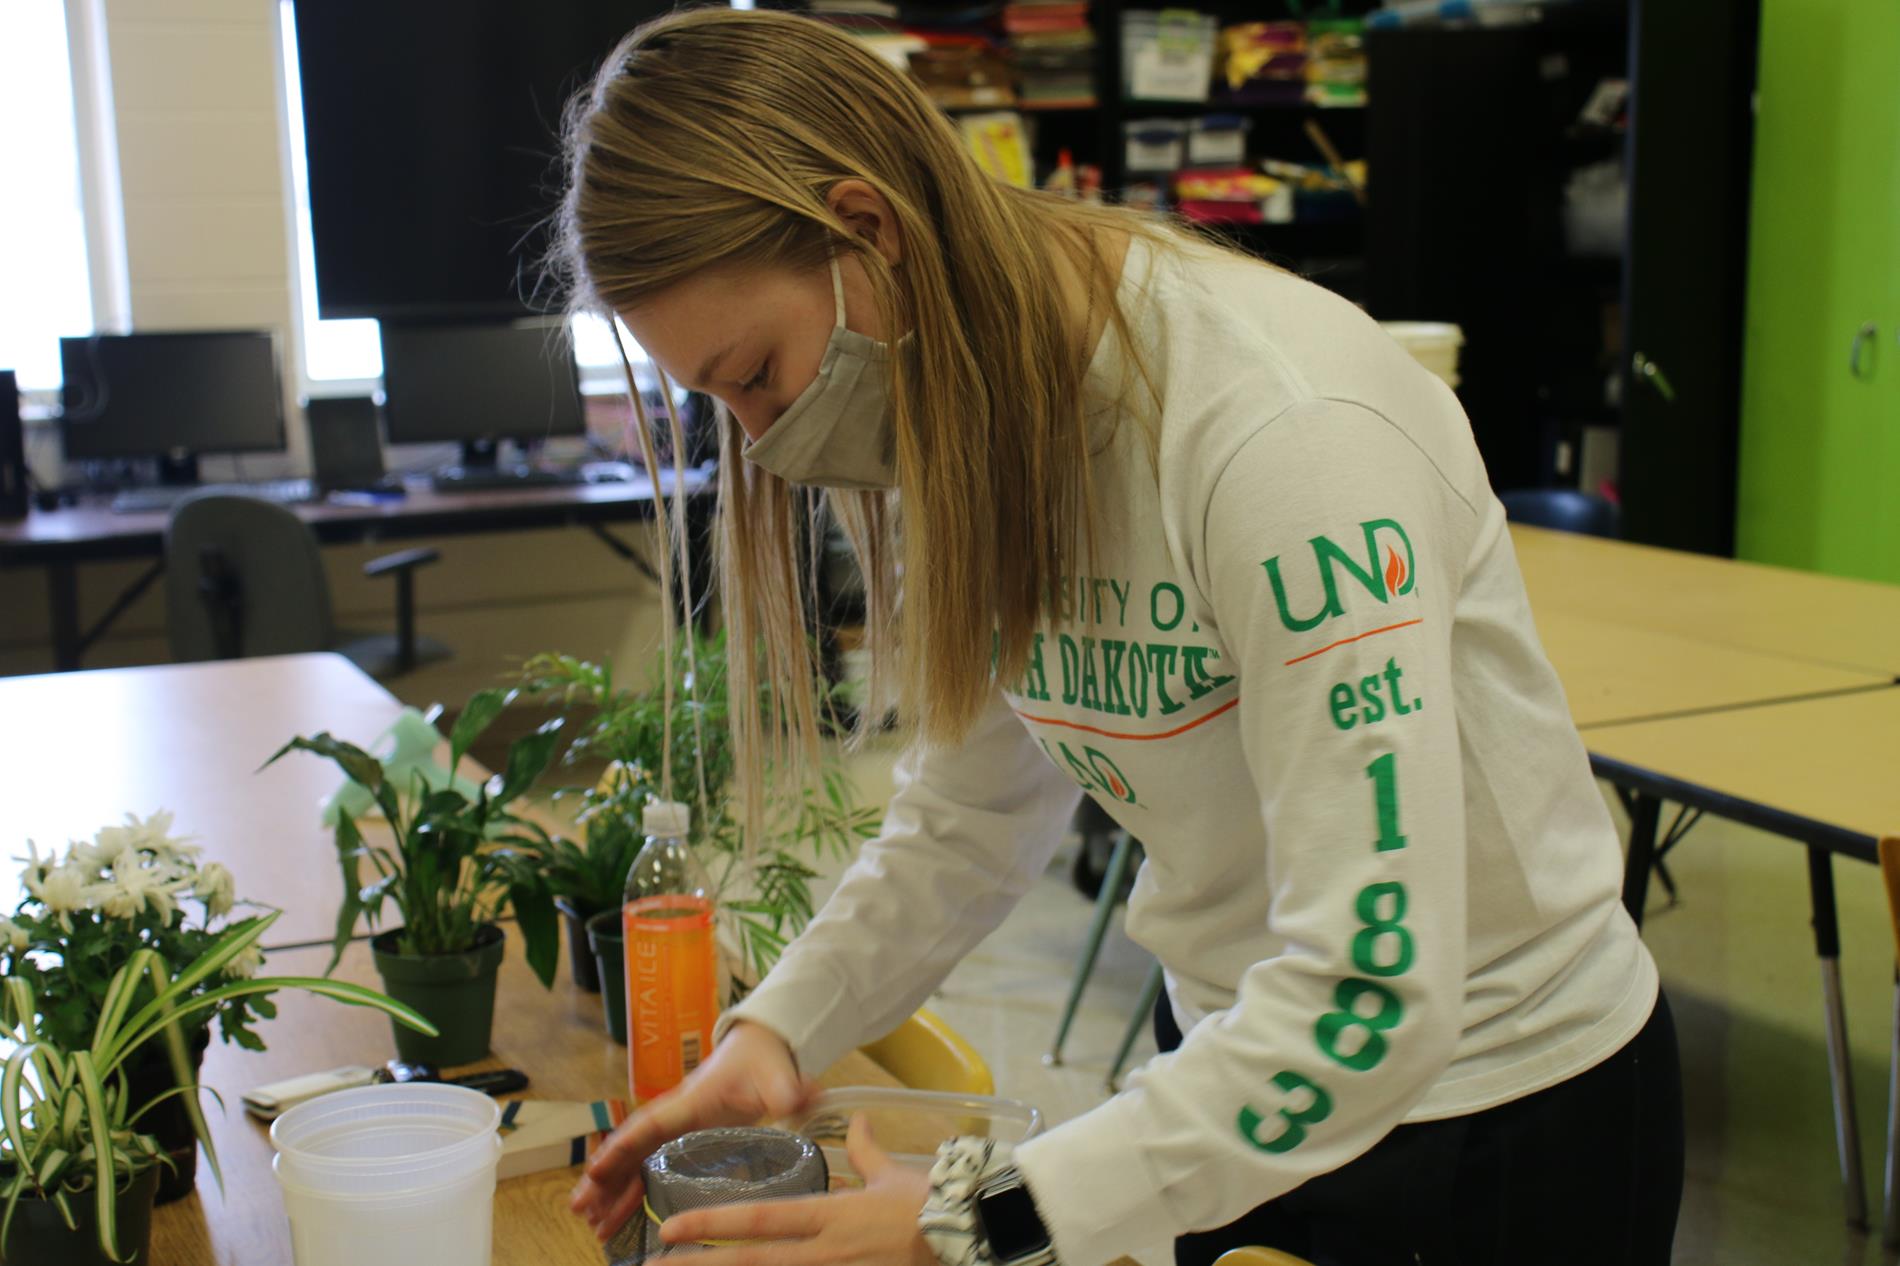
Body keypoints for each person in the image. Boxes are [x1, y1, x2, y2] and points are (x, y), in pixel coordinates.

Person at [557, 9, 1684, 1266]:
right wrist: (773, 1036)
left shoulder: (1278, 433)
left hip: (1486, 1109)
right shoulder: (969, 401)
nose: (762, 439)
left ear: (868, 230)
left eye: (755, 371)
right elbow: (971, 818)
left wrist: (973, 1221)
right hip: (1231, 1079)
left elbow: (1369, 993)